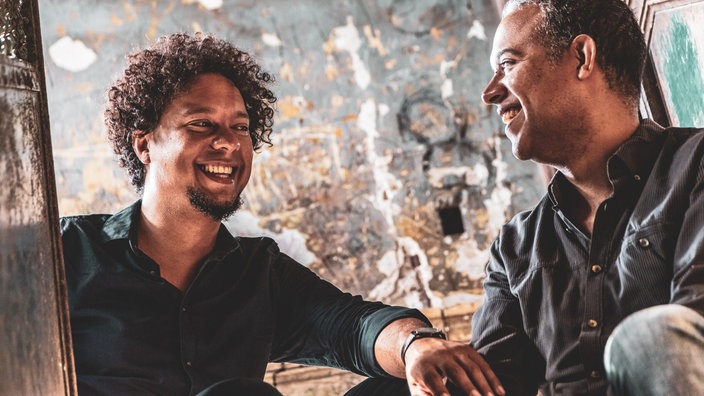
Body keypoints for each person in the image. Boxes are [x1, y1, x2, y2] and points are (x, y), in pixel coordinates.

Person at [59, 32, 505, 396]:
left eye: (240, 127)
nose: (228, 143)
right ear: (144, 143)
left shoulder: (259, 272)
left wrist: (415, 347)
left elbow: (350, 325)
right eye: (201, 124)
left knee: (398, 388)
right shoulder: (66, 254)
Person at [471, 0, 704, 395]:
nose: (490, 93)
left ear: (582, 57)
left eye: (507, 64)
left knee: (649, 339)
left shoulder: (695, 166)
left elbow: (690, 337)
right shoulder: (514, 247)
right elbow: (492, 384)